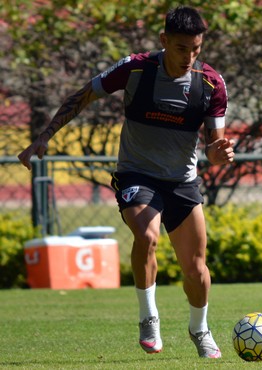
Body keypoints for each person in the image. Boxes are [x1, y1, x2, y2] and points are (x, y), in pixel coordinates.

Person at [18, 6, 234, 359]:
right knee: (146, 235)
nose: (189, 57)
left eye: (196, 49)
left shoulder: (211, 82)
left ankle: (200, 329)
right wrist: (45, 135)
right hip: (137, 173)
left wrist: (219, 154)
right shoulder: (135, 68)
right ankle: (149, 317)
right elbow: (83, 95)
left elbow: (213, 146)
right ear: (164, 40)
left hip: (181, 181)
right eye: (181, 49)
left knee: (196, 268)